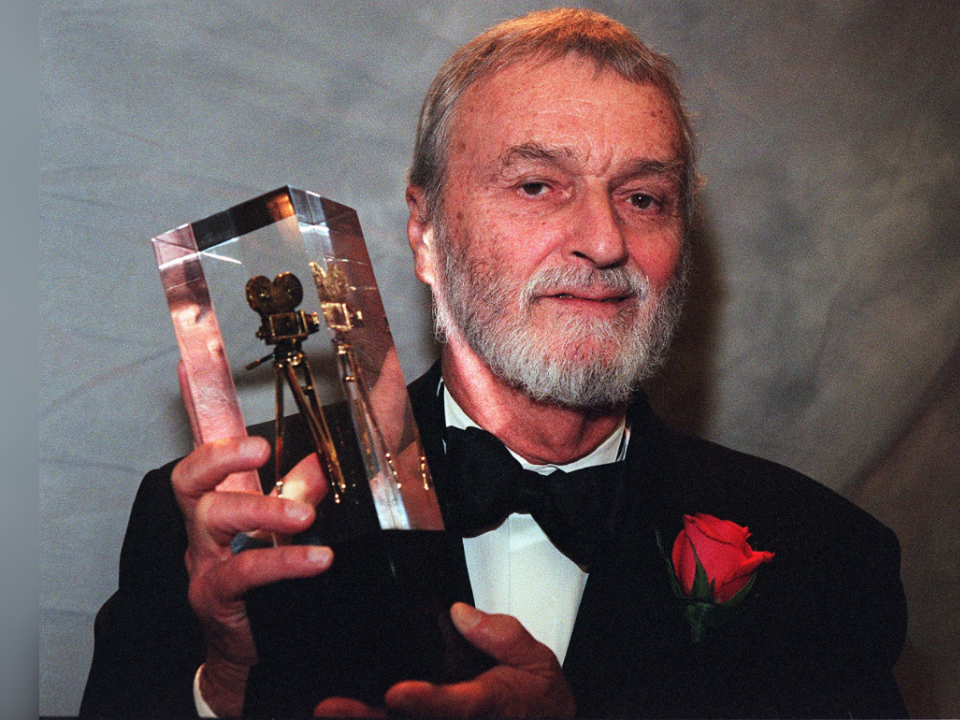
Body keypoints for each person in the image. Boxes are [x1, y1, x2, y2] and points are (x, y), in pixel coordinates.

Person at [80, 9, 908, 718]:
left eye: (644, 197)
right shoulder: (225, 528)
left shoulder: (824, 560)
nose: (605, 240)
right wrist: (225, 683)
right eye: (538, 185)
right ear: (425, 231)